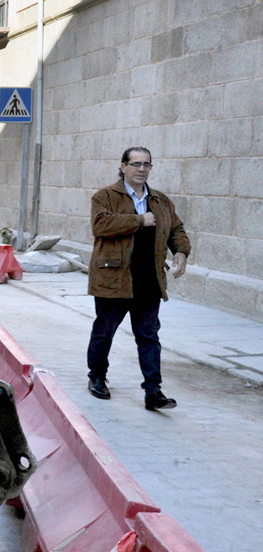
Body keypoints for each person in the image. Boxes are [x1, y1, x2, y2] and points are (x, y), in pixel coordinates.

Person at [86, 146, 190, 411]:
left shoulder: (161, 201)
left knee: (149, 336)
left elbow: (176, 229)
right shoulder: (105, 196)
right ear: (123, 166)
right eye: (136, 164)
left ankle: (153, 392)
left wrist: (180, 251)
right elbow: (101, 225)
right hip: (114, 279)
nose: (141, 169)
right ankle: (97, 377)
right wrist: (139, 220)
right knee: (104, 332)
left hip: (148, 280)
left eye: (147, 164)